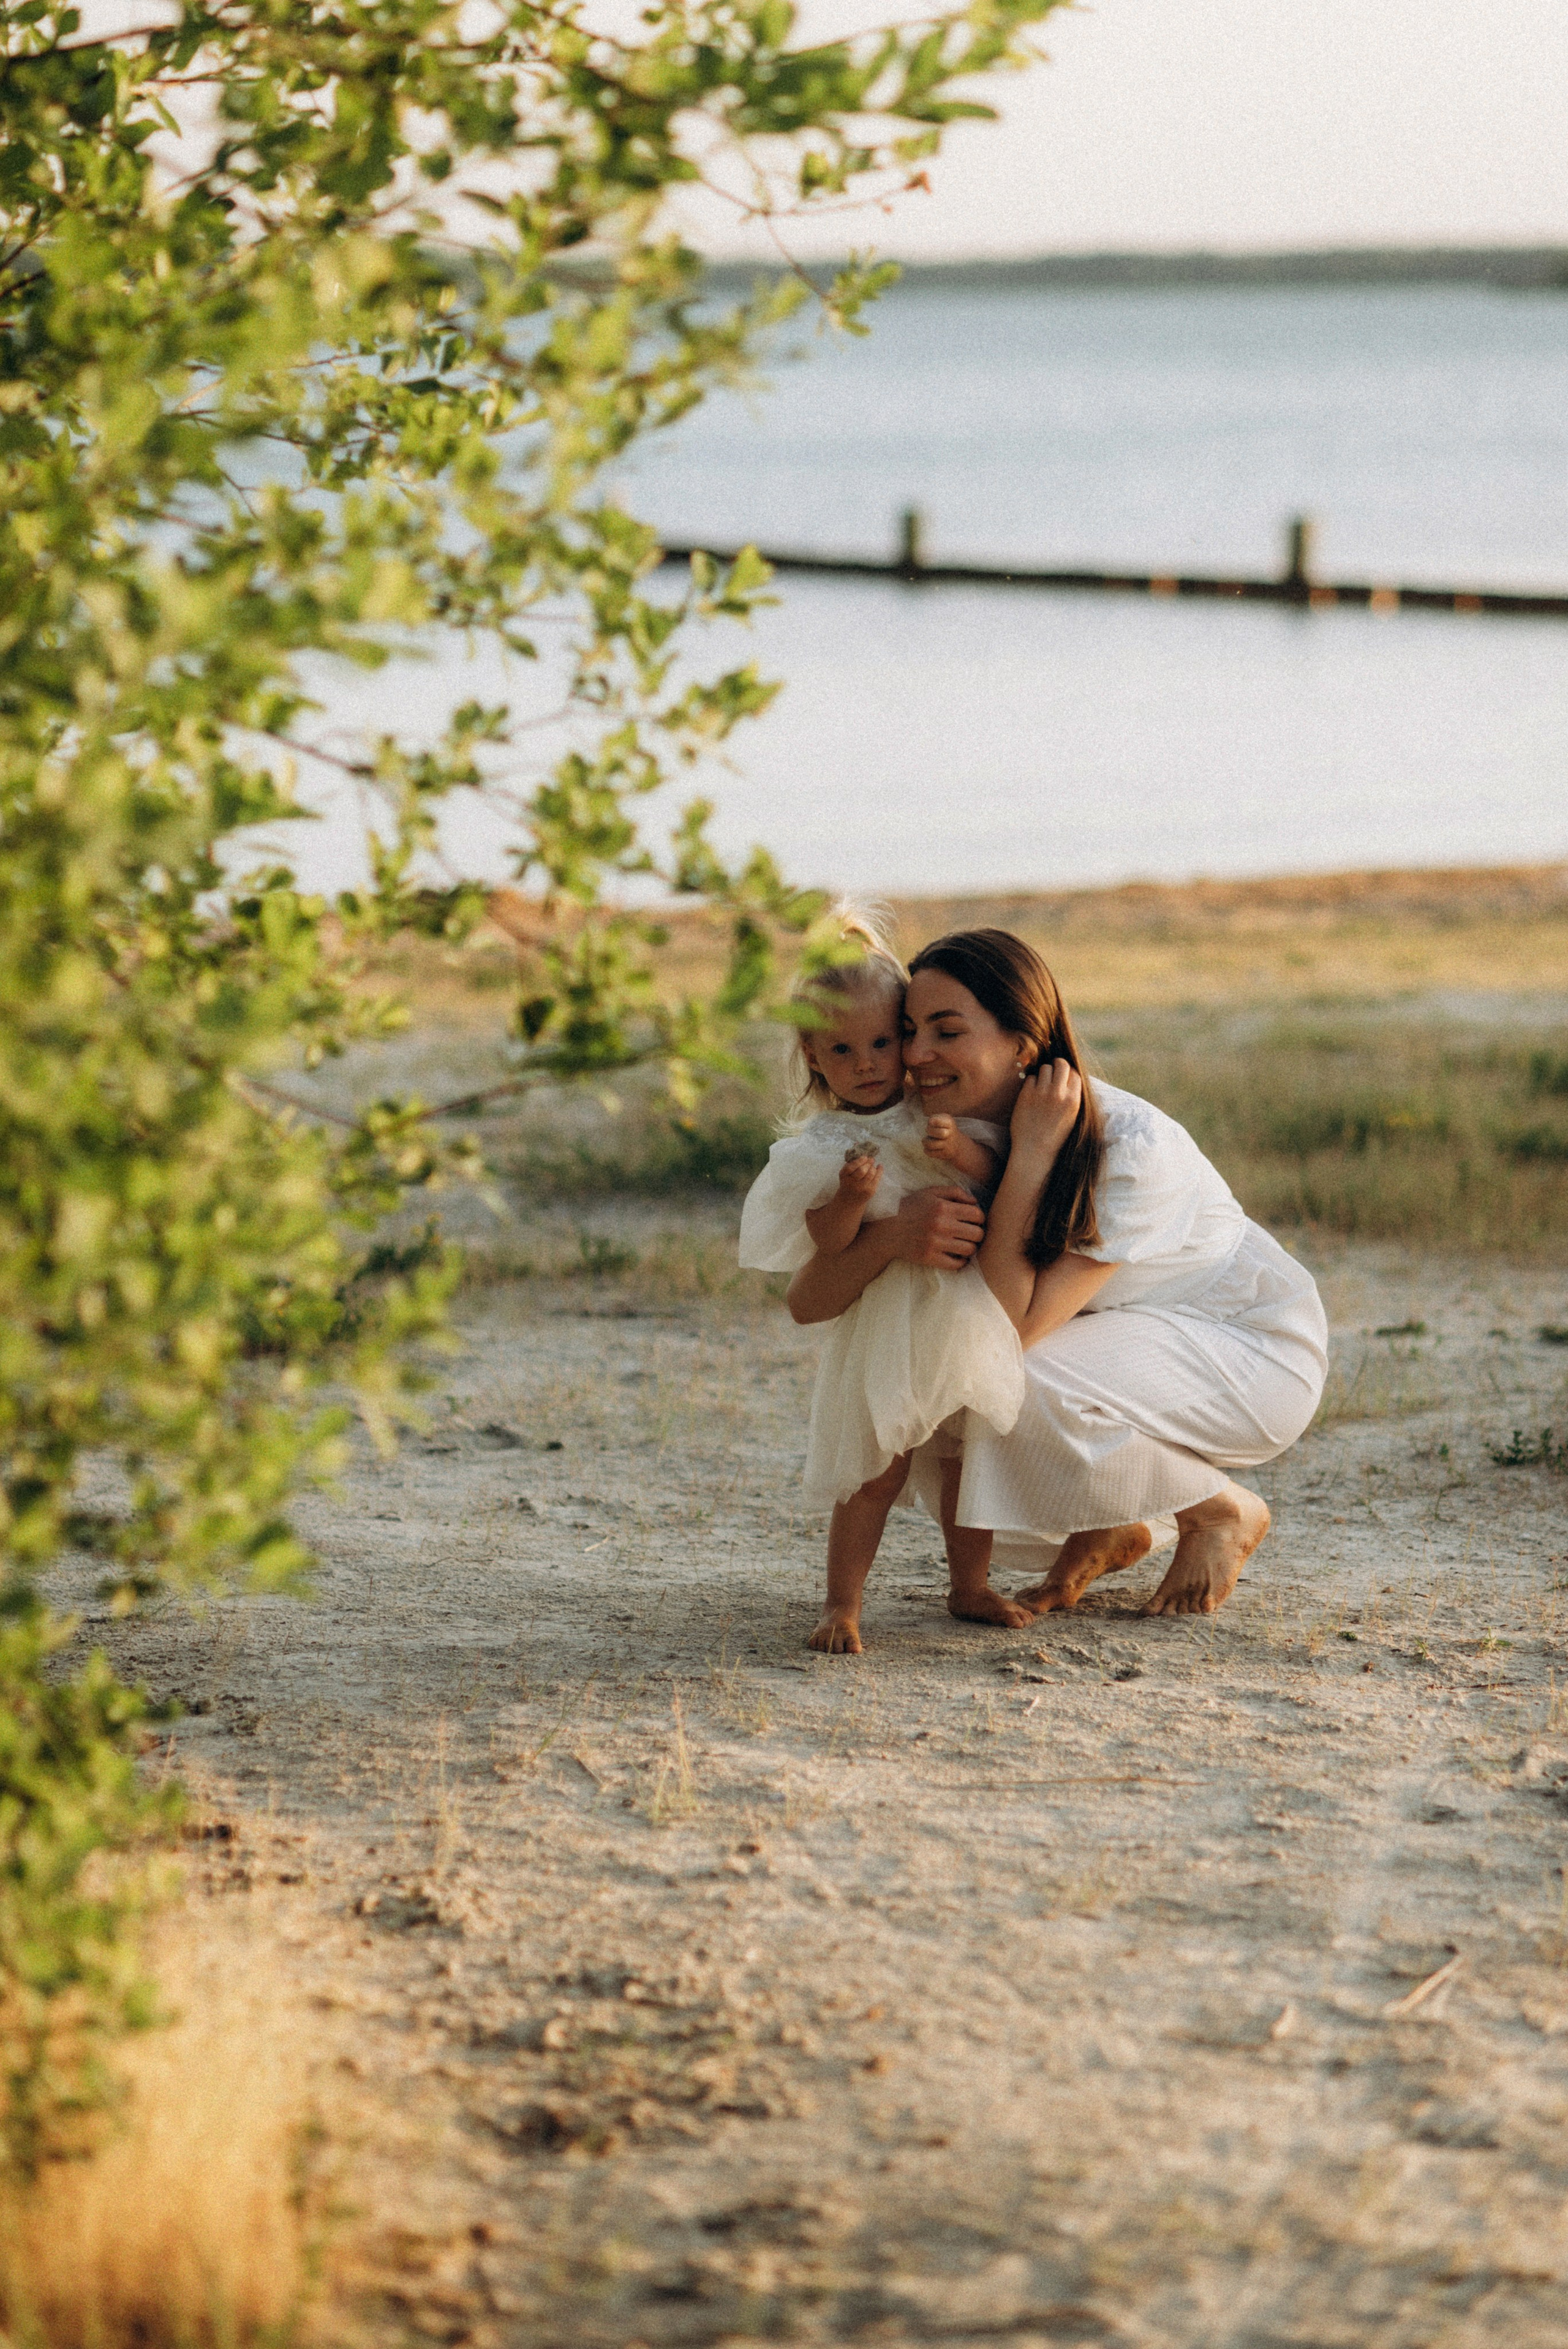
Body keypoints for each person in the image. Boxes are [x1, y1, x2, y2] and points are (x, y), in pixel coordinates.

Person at [790, 927, 1328, 1620]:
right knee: (943, 1377)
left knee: (997, 1373)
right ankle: (1117, 1517)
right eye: (910, 1029)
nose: (916, 1055)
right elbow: (808, 1299)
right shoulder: (934, 1128)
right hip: (1132, 1346)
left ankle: (1218, 1509)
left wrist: (1033, 1157)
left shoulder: (1127, 1148)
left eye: (947, 1032)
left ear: (1021, 1043)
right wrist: (892, 1235)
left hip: (1249, 1352)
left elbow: (1007, 1327)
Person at [738, 916, 1029, 1653]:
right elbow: (827, 1247)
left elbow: (999, 1182)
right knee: (873, 1473)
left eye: (882, 1041)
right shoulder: (824, 1147)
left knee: (969, 1463)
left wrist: (956, 1147)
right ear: (812, 1054)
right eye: (842, 1049)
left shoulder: (934, 1110)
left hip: (959, 1318)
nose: (868, 1063)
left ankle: (968, 1585)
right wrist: (848, 1199)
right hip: (884, 1331)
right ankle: (843, 1603)